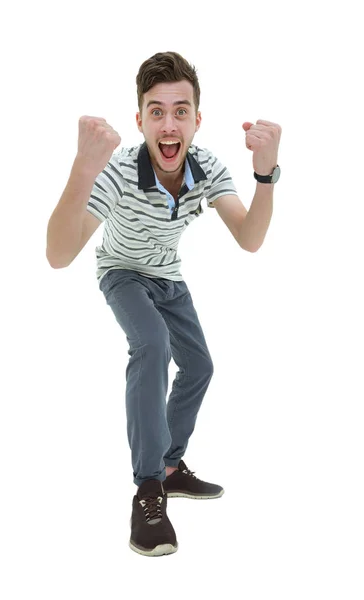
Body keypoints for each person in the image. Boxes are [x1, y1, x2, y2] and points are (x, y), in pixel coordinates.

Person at [46, 51, 282, 557]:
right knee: (151, 345)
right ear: (141, 120)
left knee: (199, 365)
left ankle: (171, 467)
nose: (169, 123)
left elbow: (250, 238)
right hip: (123, 272)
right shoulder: (119, 172)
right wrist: (83, 167)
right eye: (156, 111)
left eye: (181, 111)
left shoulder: (207, 168)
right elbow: (58, 254)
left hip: (167, 277)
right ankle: (148, 489)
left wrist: (265, 176)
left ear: (197, 120)